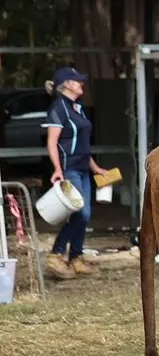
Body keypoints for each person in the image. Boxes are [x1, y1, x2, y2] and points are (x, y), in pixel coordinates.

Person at [42, 66, 110, 280]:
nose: (82, 83)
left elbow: (82, 145)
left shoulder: (78, 108)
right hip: (69, 169)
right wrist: (57, 169)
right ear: (67, 85)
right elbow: (52, 142)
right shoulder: (58, 108)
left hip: (82, 168)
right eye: (77, 80)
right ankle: (56, 254)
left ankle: (76, 258)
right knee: (81, 214)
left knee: (84, 214)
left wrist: (95, 168)